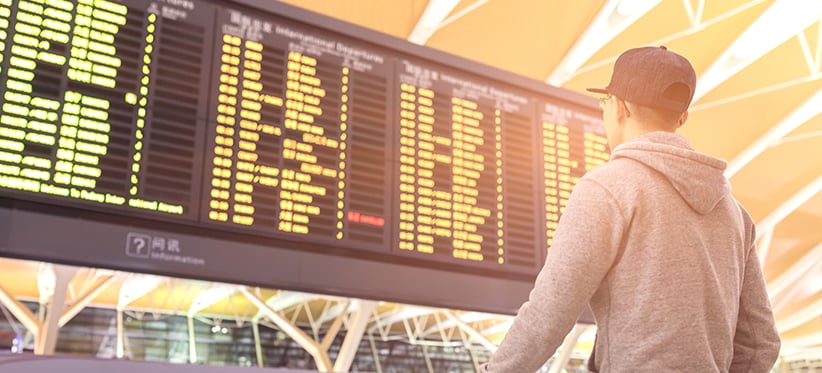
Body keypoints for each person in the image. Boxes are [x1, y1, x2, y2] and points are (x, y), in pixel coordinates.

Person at [480, 46, 781, 372]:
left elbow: (549, 314)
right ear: (682, 118)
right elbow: (761, 340)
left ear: (618, 106)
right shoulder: (733, 212)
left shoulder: (606, 189)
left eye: (604, 102)